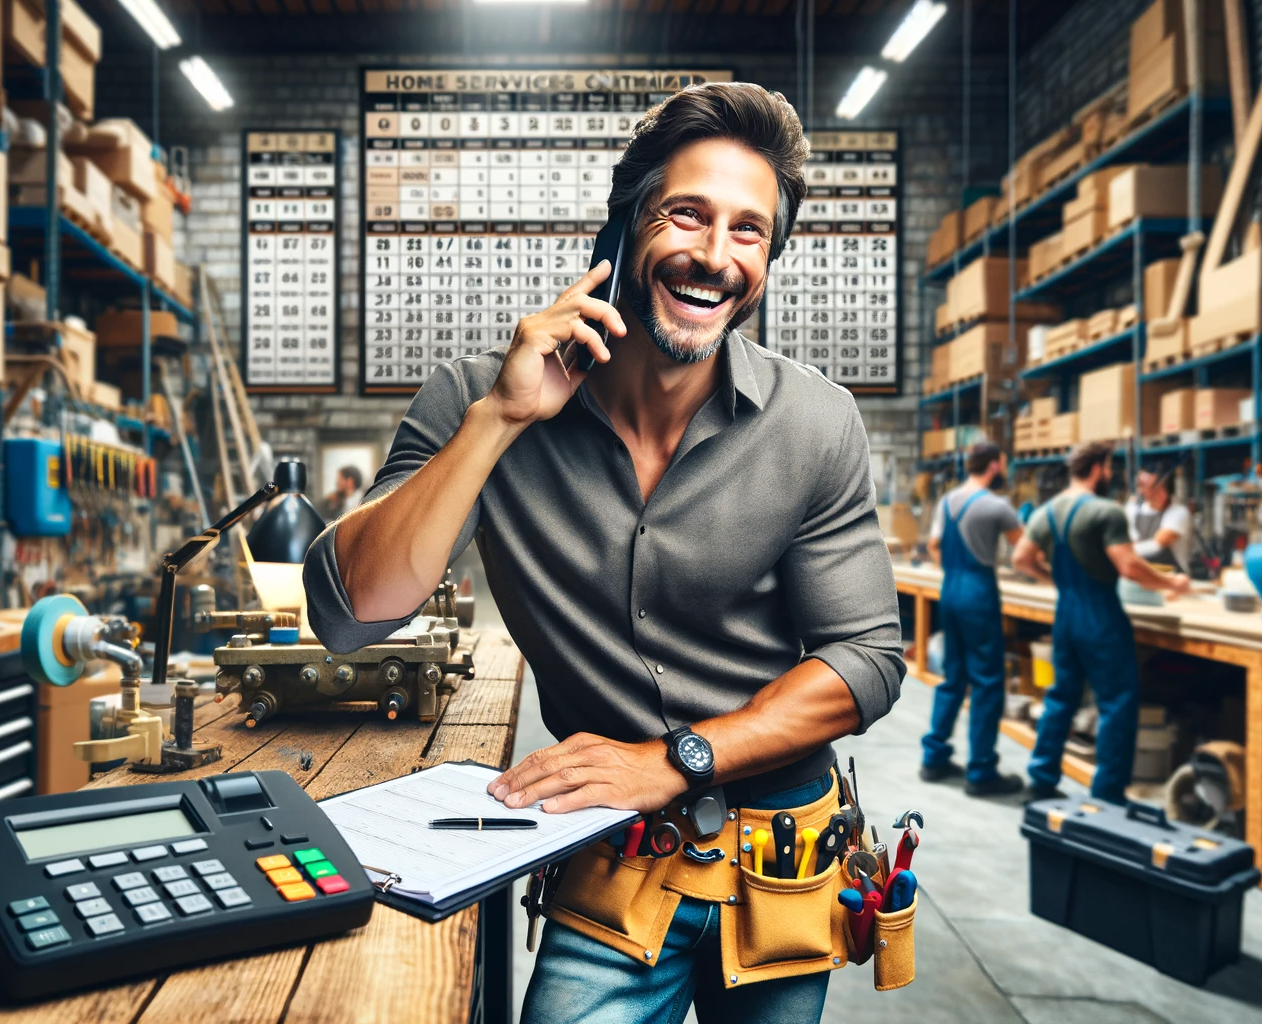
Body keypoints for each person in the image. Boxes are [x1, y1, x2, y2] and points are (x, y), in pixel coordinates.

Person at [303, 83, 902, 1024]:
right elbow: (350, 615)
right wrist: (498, 423)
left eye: (749, 232)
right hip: (618, 859)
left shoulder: (817, 423)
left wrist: (679, 758)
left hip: (781, 862)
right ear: (623, 230)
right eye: (686, 215)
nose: (714, 255)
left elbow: (865, 661)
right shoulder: (476, 401)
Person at [1011, 441, 1190, 804]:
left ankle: (1041, 780)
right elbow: (1129, 565)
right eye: (1109, 468)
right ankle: (1107, 795)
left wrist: (1054, 580)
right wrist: (1172, 583)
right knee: (1116, 703)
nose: (1111, 475)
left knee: (1061, 697)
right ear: (1096, 469)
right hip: (1102, 615)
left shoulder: (1046, 512)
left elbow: (1021, 559)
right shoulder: (1106, 511)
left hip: (1067, 615)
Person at [920, 441, 1025, 797]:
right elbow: (1023, 552)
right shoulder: (998, 506)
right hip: (979, 593)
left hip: (951, 589)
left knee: (953, 676)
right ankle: (981, 772)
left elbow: (934, 545)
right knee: (987, 681)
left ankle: (933, 758)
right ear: (994, 466)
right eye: (1004, 465)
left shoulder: (946, 501)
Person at [1124, 465, 1191, 571]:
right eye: (1141, 485)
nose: (1142, 491)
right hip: (1145, 575)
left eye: (1147, 486)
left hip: (1174, 578)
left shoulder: (1178, 513)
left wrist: (1124, 551)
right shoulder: (1134, 509)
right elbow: (1130, 539)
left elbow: (1159, 544)